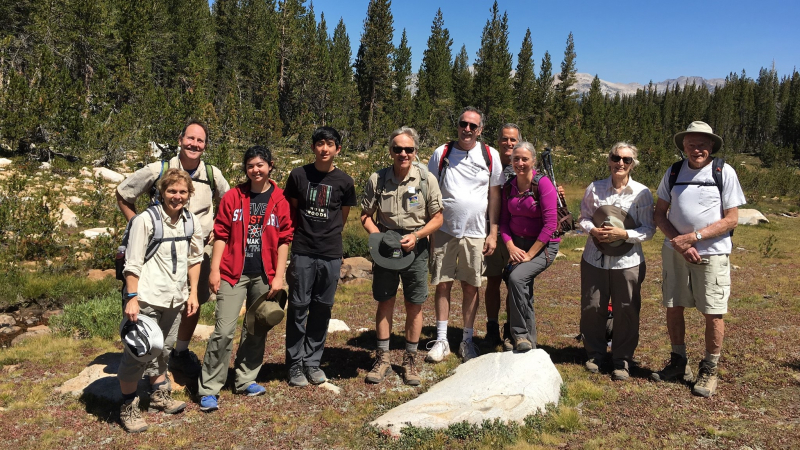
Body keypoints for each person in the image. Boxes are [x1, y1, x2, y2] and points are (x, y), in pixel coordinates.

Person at [116, 119, 230, 378]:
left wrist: (218, 227)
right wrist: (138, 227)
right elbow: (124, 193)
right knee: (152, 301)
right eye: (190, 138)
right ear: (180, 140)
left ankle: (178, 352)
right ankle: (146, 352)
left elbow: (229, 202)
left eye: (200, 141)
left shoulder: (212, 174)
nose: (194, 144)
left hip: (196, 253)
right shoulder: (160, 169)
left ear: (206, 145)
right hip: (159, 253)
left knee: (193, 300)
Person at [652, 121, 745, 398]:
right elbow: (659, 214)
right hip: (675, 252)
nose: (697, 149)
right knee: (674, 305)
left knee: (713, 311)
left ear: (712, 146)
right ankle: (679, 362)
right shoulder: (674, 171)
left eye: (703, 144)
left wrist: (694, 237)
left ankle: (710, 368)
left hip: (712, 253)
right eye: (691, 144)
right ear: (683, 146)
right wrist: (679, 244)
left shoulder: (723, 172)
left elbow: (731, 219)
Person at [197, 146, 293, 411]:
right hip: (233, 272)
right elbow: (221, 233)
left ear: (270, 166)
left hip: (264, 273)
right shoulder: (233, 197)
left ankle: (245, 379)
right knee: (224, 330)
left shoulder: (280, 199)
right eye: (251, 165)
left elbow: (285, 239)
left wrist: (279, 277)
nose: (256, 170)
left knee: (256, 327)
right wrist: (215, 270)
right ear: (246, 169)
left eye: (261, 165)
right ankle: (209, 388)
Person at [117, 169, 204, 433]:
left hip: (175, 298)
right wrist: (132, 298)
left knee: (164, 349)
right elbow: (132, 263)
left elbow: (195, 259)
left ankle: (158, 397)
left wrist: (193, 293)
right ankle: (127, 407)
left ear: (189, 195)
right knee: (137, 354)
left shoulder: (191, 222)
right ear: (161, 192)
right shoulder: (145, 220)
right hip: (146, 298)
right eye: (171, 191)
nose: (177, 197)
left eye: (182, 192)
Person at [361, 127, 443, 386]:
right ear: (390, 151)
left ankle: (410, 361)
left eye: (408, 149)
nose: (403, 154)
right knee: (385, 301)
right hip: (386, 248)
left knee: (414, 304)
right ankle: (382, 358)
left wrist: (418, 236)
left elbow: (438, 217)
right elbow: (365, 215)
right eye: (398, 149)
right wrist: (378, 236)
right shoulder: (378, 179)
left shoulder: (426, 179)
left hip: (415, 247)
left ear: (415, 151)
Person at [426, 106, 503, 363]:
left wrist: (492, 233)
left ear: (480, 130)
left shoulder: (490, 155)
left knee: (471, 286)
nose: (467, 129)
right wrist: (428, 229)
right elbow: (429, 191)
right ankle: (441, 339)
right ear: (457, 125)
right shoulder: (442, 152)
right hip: (444, 230)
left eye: (473, 126)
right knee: (443, 284)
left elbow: (494, 196)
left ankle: (467, 340)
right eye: (463, 124)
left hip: (476, 233)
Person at [283, 127, 357, 386]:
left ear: (337, 149)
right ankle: (293, 364)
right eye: (320, 143)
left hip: (330, 253)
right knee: (298, 308)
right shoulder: (298, 175)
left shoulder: (345, 181)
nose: (325, 148)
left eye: (330, 144)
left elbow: (343, 216)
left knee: (322, 309)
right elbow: (292, 210)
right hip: (303, 249)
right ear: (313, 147)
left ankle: (312, 363)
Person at [578, 142, 655, 381]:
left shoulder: (642, 193)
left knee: (626, 310)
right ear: (609, 160)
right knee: (592, 307)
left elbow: (648, 229)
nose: (620, 163)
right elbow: (584, 218)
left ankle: (622, 360)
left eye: (626, 159)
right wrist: (592, 230)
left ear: (633, 164)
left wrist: (625, 235)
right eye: (616, 157)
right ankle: (595, 354)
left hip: (628, 261)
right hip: (594, 258)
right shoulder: (595, 188)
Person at [499, 142, 560, 352]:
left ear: (533, 161)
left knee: (517, 279)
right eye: (516, 159)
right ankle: (528, 341)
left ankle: (519, 334)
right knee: (522, 286)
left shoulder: (543, 185)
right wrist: (510, 246)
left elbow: (551, 225)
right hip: (518, 245)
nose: (520, 163)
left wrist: (529, 255)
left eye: (525, 159)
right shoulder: (509, 186)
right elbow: (504, 221)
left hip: (543, 247)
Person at [482, 124, 521, 348]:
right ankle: (492, 328)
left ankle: (510, 329)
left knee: (514, 283)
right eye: (504, 139)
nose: (508, 143)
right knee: (493, 281)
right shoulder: (490, 165)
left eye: (513, 140)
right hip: (492, 231)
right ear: (498, 142)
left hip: (517, 235)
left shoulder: (524, 165)